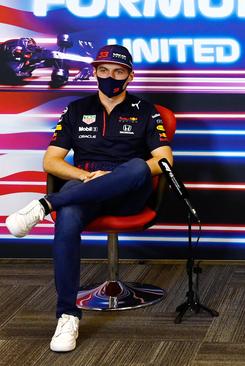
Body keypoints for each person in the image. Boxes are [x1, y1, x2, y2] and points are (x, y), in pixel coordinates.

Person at [5, 45, 172, 352]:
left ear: (130, 76)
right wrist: (84, 177)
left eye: (119, 72)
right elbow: (51, 161)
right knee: (68, 216)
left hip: (128, 191)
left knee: (137, 166)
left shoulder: (146, 111)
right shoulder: (76, 109)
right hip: (85, 184)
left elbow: (164, 160)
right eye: (104, 70)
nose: (111, 77)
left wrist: (116, 177)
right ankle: (67, 315)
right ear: (94, 72)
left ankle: (45, 204)